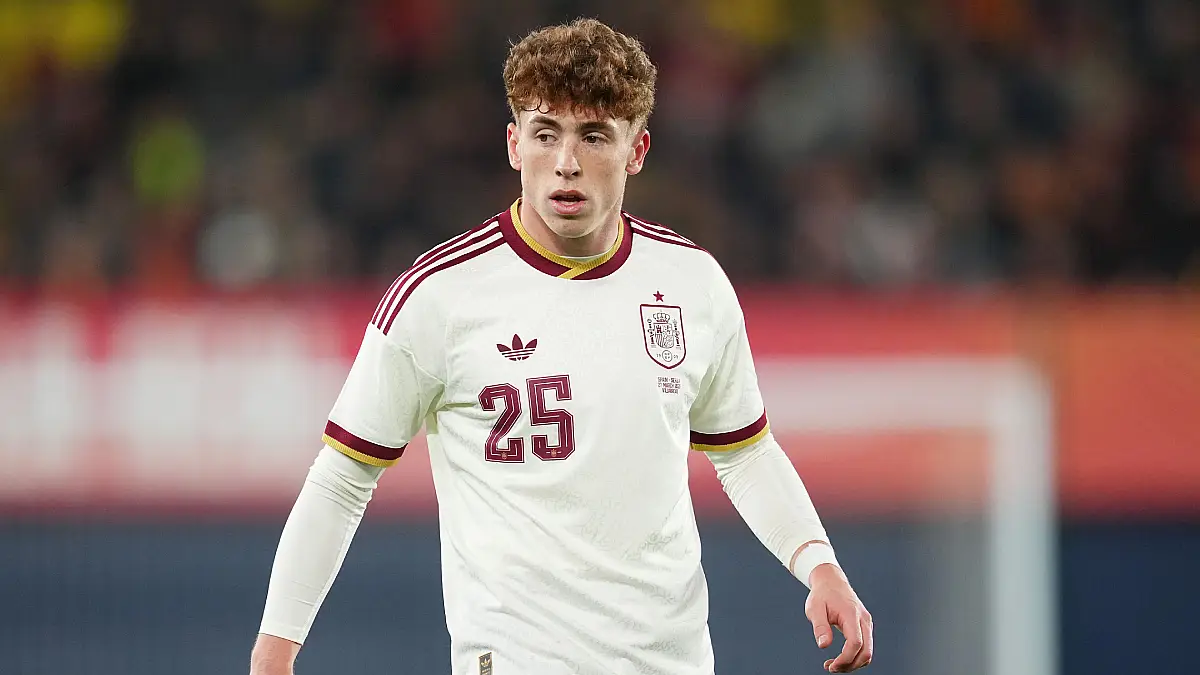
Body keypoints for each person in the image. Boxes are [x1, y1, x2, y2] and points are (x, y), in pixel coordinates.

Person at [250, 18, 873, 675]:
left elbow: (744, 450)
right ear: (516, 144)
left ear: (637, 150)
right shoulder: (438, 296)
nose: (568, 162)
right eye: (547, 133)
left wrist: (817, 561)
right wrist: (275, 649)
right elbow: (344, 476)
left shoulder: (693, 286)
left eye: (594, 135)